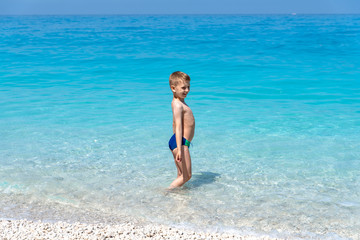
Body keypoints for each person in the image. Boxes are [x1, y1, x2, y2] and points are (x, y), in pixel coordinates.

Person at [168, 71, 195, 189]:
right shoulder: (178, 104)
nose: (187, 90)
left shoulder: (179, 102)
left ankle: (179, 197)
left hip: (180, 142)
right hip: (181, 143)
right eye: (183, 87)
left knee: (181, 174)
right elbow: (178, 126)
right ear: (173, 88)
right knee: (187, 176)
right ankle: (166, 193)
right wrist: (180, 148)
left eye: (188, 87)